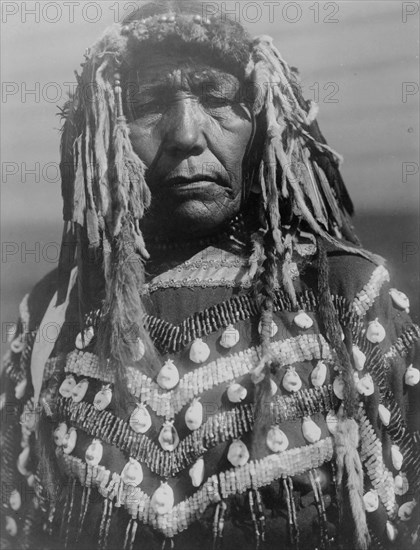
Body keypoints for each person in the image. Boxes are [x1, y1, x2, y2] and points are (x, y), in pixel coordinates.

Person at [1, 1, 419, 549]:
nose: (185, 134)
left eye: (218, 98)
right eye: (148, 103)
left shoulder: (348, 297)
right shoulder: (56, 314)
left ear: (265, 119)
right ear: (104, 131)